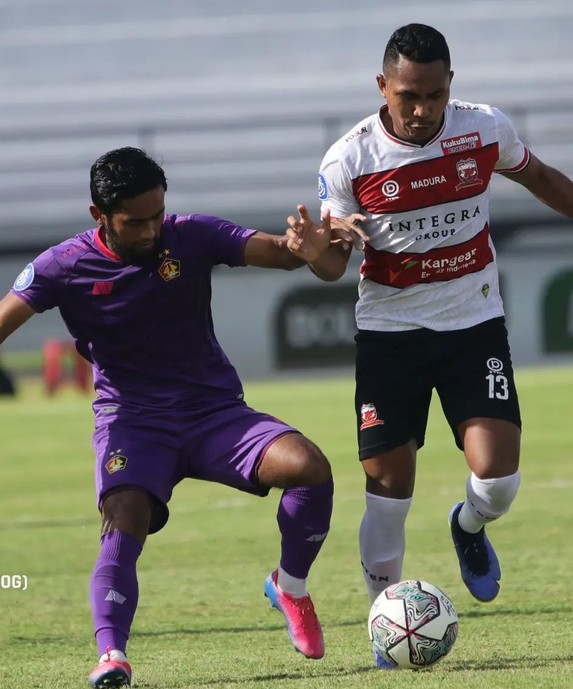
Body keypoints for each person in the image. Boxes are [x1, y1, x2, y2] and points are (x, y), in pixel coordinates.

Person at [284, 23, 573, 668]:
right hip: (391, 333)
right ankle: (387, 632)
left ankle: (468, 525)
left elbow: (541, 178)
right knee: (388, 490)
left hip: (473, 322)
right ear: (382, 87)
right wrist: (319, 253)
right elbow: (334, 262)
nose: (421, 112)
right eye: (408, 97)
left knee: (499, 479)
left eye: (435, 96)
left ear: (452, 86)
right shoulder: (350, 159)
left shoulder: (483, 130)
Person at [0, 147, 334, 689]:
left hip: (213, 411)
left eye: (158, 214)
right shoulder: (62, 265)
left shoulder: (191, 234)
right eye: (136, 221)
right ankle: (112, 657)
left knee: (309, 466)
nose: (152, 229)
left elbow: (276, 252)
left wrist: (303, 249)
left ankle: (290, 587)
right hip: (132, 419)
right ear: (99, 215)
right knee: (123, 517)